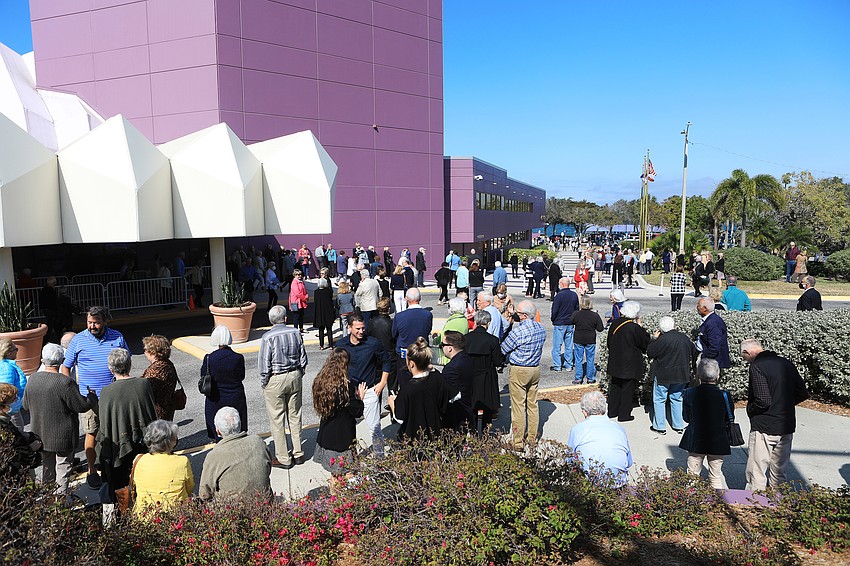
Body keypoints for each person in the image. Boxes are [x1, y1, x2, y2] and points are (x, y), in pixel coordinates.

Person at [62, 305, 129, 488]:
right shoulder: (78, 340)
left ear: (105, 322)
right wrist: (70, 389)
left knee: (115, 431)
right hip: (89, 398)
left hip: (113, 396)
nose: (92, 326)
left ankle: (113, 465)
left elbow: (126, 362)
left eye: (96, 323)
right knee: (91, 432)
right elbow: (65, 366)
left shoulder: (117, 337)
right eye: (89, 322)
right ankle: (92, 470)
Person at [22, 343, 97, 493]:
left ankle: (48, 500)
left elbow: (25, 405)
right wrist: (92, 397)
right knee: (63, 468)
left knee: (48, 467)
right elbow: (81, 406)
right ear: (62, 360)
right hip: (63, 436)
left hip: (40, 434)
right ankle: (59, 503)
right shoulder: (65, 382)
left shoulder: (33, 379)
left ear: (43, 360)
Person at [740, 339, 809, 490]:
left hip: (764, 425)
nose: (745, 360)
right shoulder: (786, 363)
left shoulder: (757, 366)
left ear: (747, 352)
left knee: (756, 471)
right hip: (786, 424)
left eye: (744, 357)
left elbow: (763, 400)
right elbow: (802, 393)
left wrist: (750, 410)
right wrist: (784, 404)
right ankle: (778, 503)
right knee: (779, 472)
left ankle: (755, 503)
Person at [96, 348, 157, 509]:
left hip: (119, 447)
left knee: (120, 486)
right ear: (129, 365)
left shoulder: (107, 391)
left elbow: (105, 425)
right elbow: (151, 413)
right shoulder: (143, 384)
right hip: (143, 443)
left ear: (111, 368)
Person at [258, 305, 308, 469]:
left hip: (276, 378)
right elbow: (303, 357)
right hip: (294, 375)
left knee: (277, 419)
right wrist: (300, 372)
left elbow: (264, 364)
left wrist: (265, 382)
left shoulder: (268, 337)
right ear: (285, 318)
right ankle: (298, 453)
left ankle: (284, 457)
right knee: (295, 415)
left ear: (270, 320)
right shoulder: (295, 332)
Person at [337, 312, 392, 457]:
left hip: (369, 391)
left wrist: (382, 383)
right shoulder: (341, 345)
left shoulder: (373, 343)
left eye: (363, 328)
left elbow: (387, 361)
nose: (361, 331)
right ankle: (351, 455)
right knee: (348, 427)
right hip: (350, 393)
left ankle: (380, 456)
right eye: (358, 329)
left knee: (374, 426)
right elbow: (335, 367)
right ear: (349, 328)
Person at [312, 349, 366, 493]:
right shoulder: (347, 387)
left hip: (328, 437)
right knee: (350, 473)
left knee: (335, 475)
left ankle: (335, 504)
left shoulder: (321, 382)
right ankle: (348, 503)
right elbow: (357, 412)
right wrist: (360, 397)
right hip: (344, 440)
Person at [679, 359, 731, 489]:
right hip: (718, 440)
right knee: (715, 476)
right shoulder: (724, 395)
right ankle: (718, 505)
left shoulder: (689, 393)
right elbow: (729, 417)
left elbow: (686, 417)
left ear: (698, 375)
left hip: (696, 439)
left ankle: (691, 505)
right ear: (718, 376)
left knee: (692, 477)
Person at [199, 407, 271, 501]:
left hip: (232, 511)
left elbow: (204, 494)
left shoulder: (214, 456)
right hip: (264, 503)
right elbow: (268, 467)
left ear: (218, 431)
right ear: (240, 425)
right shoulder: (258, 442)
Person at [501, 300, 546, 449]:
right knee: (532, 405)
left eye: (518, 313)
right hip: (534, 368)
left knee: (518, 407)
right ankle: (532, 438)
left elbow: (504, 348)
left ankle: (518, 441)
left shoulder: (518, 332)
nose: (516, 315)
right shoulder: (541, 328)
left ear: (525, 316)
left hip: (519, 369)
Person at [388, 337, 450, 440]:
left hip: (415, 438)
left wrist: (392, 403)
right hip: (436, 433)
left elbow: (400, 417)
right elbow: (450, 399)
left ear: (411, 363)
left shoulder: (408, 388)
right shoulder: (437, 378)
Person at [567, 391, 633, 487]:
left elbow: (569, 460)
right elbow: (628, 462)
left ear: (585, 412)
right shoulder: (619, 428)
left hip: (589, 485)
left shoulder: (577, 430)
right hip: (617, 484)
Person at [132, 420, 194, 518]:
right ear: (171, 441)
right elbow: (190, 487)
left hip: (145, 515)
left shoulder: (139, 460)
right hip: (177, 516)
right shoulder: (182, 461)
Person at [647, 316, 696, 435]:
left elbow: (650, 353)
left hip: (663, 374)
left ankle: (660, 426)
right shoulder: (684, 338)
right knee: (677, 399)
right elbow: (693, 351)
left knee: (659, 400)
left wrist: (653, 339)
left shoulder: (662, 340)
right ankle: (678, 425)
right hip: (681, 374)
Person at [606, 301, 650, 422]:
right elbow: (645, 343)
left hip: (615, 361)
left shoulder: (615, 323)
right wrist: (641, 326)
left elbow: (609, 342)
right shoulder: (634, 328)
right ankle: (624, 415)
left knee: (615, 386)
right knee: (627, 389)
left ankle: (612, 411)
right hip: (629, 364)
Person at [202, 326, 248, 441]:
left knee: (219, 431)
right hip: (235, 396)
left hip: (215, 397)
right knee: (236, 429)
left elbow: (203, 376)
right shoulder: (238, 357)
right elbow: (241, 376)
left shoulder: (209, 358)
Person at [465, 310, 504, 433]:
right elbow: (498, 361)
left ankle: (471, 430)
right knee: (487, 407)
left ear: (476, 322)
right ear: (488, 323)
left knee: (471, 405)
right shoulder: (492, 340)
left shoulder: (466, 339)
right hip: (487, 376)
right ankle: (486, 433)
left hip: (471, 376)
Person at [392, 287, 433, 390]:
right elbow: (427, 330)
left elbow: (394, 334)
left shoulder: (399, 316)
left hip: (404, 353)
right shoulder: (427, 315)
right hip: (421, 352)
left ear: (406, 299)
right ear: (420, 298)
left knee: (405, 384)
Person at [439, 330, 473, 431]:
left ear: (450, 348)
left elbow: (446, 393)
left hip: (455, 414)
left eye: (442, 345)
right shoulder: (466, 359)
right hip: (467, 406)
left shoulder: (451, 368)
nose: (442, 347)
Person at [141, 334, 180, 421]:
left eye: (145, 349)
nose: (144, 352)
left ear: (152, 352)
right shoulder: (168, 363)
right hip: (167, 409)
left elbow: (144, 391)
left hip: (156, 414)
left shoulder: (156, 370)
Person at [571, 296, 604, 385]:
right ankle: (590, 378)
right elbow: (600, 328)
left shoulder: (576, 314)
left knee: (578, 359)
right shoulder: (594, 315)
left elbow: (571, 322)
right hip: (590, 338)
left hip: (578, 338)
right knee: (590, 359)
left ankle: (578, 378)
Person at [550, 276, 579, 373]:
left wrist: (553, 319)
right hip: (570, 322)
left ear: (562, 284)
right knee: (569, 345)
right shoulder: (574, 295)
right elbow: (576, 309)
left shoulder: (559, 296)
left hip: (560, 322)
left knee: (557, 346)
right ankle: (569, 364)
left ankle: (557, 365)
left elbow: (554, 310)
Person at [432, 297, 470, 365]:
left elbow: (443, 339)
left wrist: (435, 338)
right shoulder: (464, 320)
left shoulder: (452, 321)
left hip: (448, 355)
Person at [696, 297, 731, 370]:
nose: (697, 307)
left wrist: (703, 357)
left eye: (698, 306)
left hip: (712, 364)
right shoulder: (710, 320)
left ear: (705, 308)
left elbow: (714, 348)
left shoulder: (713, 323)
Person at [0, 339, 26, 431]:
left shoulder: (6, 365)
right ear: (9, 353)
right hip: (10, 404)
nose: (17, 351)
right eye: (16, 349)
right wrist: (12, 403)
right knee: (18, 427)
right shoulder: (7, 368)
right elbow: (7, 389)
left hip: (12, 402)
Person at [313, 278, 336, 350]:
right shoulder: (328, 291)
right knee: (329, 329)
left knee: (321, 329)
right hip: (328, 311)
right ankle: (331, 345)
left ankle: (321, 345)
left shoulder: (316, 292)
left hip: (320, 312)